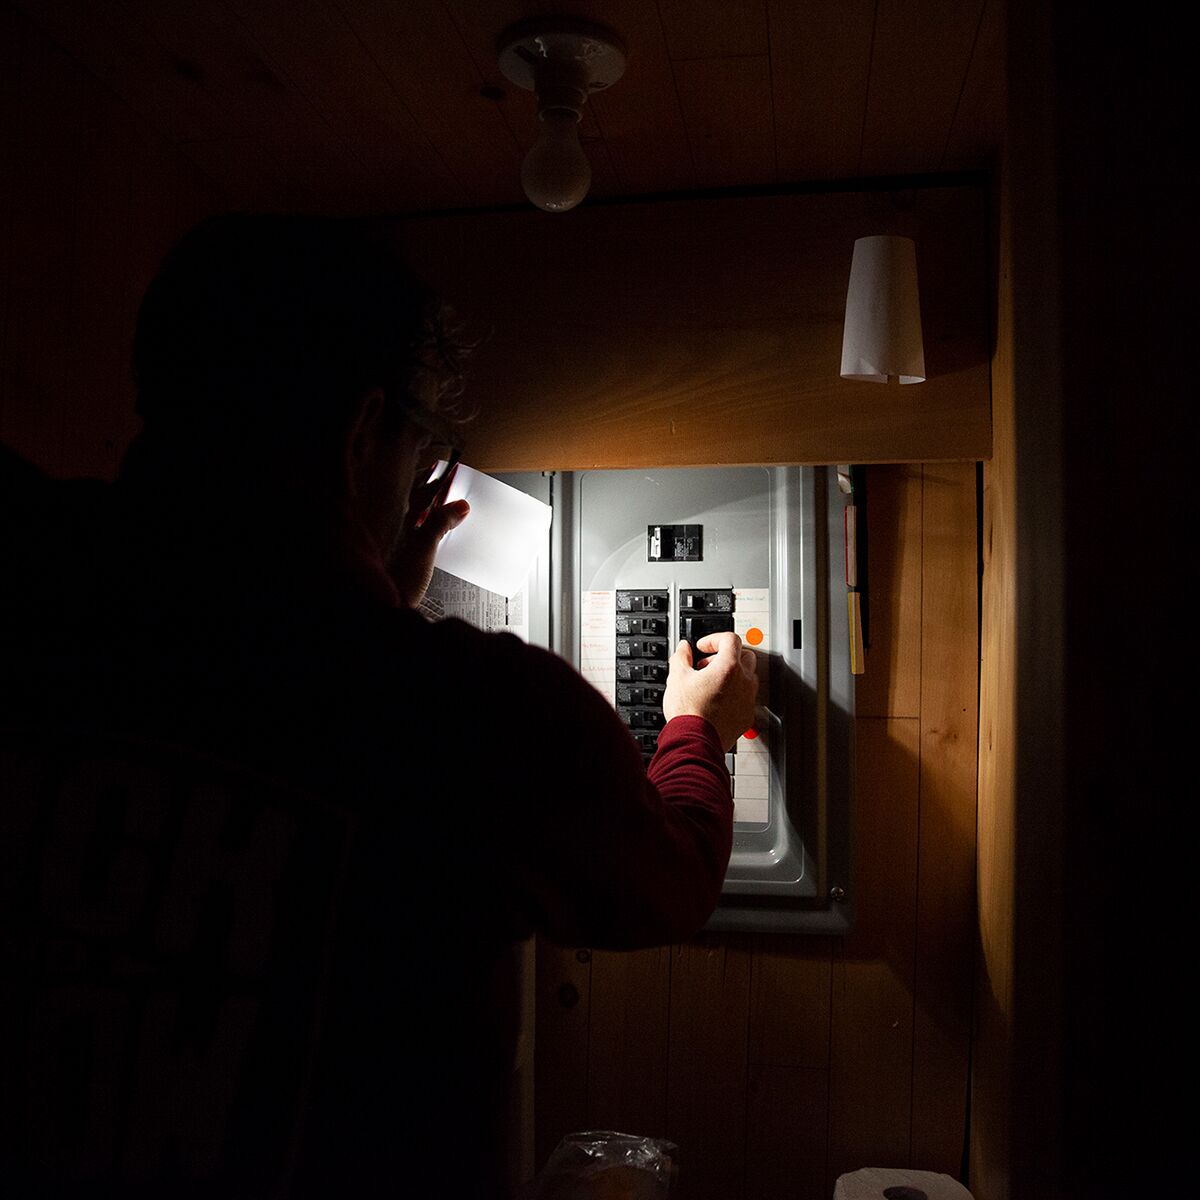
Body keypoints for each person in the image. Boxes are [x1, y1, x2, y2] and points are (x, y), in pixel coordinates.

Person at [0, 213, 758, 1196]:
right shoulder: (477, 713)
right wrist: (698, 723)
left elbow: (245, 661)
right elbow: (670, 879)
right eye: (422, 450)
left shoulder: (30, 579)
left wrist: (369, 605)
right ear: (363, 432)